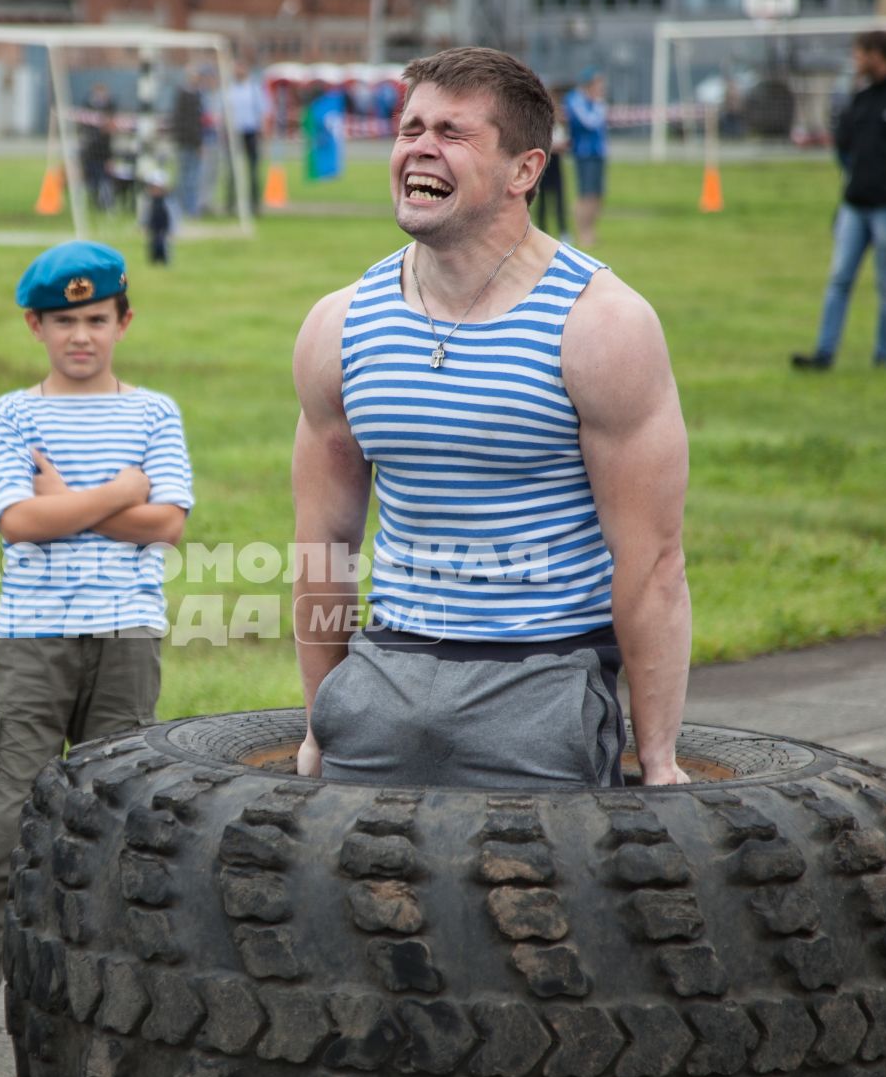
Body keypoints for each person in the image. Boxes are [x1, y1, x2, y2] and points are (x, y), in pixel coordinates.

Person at [290, 45, 691, 809]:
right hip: (386, 676)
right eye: (410, 127)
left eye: (452, 131)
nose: (419, 147)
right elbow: (323, 544)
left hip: (544, 677)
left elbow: (652, 562)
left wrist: (660, 758)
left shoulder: (601, 327)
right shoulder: (339, 323)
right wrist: (318, 723)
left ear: (524, 170)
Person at [0, 240, 193, 1071]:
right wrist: (118, 493)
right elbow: (17, 522)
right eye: (64, 321)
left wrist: (63, 499)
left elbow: (169, 524)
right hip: (35, 641)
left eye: (97, 319)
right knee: (1, 826)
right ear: (35, 325)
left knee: (114, 827)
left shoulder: (154, 413)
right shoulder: (13, 414)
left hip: (127, 640)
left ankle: (106, 1008)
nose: (82, 336)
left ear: (124, 321)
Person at [792, 31, 886, 371]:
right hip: (853, 204)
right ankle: (824, 354)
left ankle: (883, 358)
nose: (856, 61)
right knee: (839, 278)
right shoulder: (858, 94)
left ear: (879, 55)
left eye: (860, 54)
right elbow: (844, 143)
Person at [564, 68, 608, 247]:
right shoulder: (576, 99)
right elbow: (590, 121)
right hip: (584, 153)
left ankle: (591, 230)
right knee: (585, 194)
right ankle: (582, 233)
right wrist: (597, 103)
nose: (601, 88)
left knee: (597, 194)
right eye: (598, 84)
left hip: (598, 152)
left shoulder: (594, 101)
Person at [224, 58, 270, 214]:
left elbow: (263, 111)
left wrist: (262, 132)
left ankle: (255, 204)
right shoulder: (229, 89)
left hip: (250, 131)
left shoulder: (254, 89)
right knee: (233, 170)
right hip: (234, 133)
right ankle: (231, 204)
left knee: (253, 170)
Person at [534, 85, 572, 242]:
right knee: (541, 198)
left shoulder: (562, 123)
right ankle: (542, 229)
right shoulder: (541, 122)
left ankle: (563, 230)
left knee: (559, 198)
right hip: (544, 164)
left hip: (556, 163)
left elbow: (567, 142)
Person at [169, 73, 206, 218]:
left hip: (182, 142)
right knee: (190, 178)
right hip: (189, 143)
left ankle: (181, 208)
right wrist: (198, 143)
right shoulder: (192, 99)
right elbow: (193, 124)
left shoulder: (180, 98)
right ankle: (189, 209)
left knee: (183, 177)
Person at [79, 82, 117, 210]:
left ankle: (105, 204)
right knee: (91, 181)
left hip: (104, 153)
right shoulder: (87, 107)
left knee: (105, 180)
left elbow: (111, 135)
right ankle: (94, 202)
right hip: (90, 153)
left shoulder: (111, 107)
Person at [142, 168, 174, 264]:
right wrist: (144, 225)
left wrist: (172, 229)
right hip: (154, 228)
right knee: (153, 244)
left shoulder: (168, 203)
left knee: (164, 244)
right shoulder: (149, 202)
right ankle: (154, 259)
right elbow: (146, 215)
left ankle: (165, 259)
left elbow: (172, 217)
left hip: (164, 228)